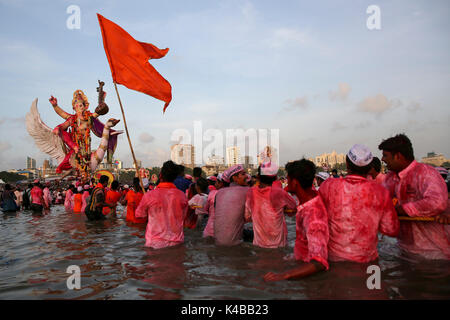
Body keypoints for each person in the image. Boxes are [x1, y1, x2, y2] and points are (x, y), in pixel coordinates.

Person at [319, 144, 399, 263]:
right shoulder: (380, 192)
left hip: (335, 260)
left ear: (347, 164)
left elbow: (318, 217)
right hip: (367, 262)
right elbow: (391, 229)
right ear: (370, 167)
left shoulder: (329, 186)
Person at [379, 134, 449, 260]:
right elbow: (380, 203)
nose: (382, 159)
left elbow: (437, 202)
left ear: (398, 156)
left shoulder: (426, 173)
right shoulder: (390, 178)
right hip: (404, 249)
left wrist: (402, 209)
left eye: (385, 155)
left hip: (434, 252)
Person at [264, 159, 329, 281]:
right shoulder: (310, 198)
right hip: (299, 261)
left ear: (295, 182)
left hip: (307, 276)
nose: (286, 182)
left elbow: (319, 262)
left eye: (288, 179)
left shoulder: (313, 215)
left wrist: (285, 276)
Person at [135, 160, 188, 249]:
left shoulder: (149, 195)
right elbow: (184, 217)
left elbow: (139, 215)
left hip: (155, 245)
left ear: (160, 175)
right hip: (177, 244)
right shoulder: (182, 196)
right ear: (175, 177)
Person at [245, 162, 297, 248]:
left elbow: (247, 217)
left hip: (258, 245)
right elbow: (293, 207)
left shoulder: (251, 192)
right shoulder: (279, 192)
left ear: (258, 177)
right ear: (276, 178)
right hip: (278, 246)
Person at [214, 164, 250, 246]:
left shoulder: (219, 192)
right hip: (234, 244)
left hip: (217, 242)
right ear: (235, 178)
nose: (247, 177)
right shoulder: (247, 191)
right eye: (243, 174)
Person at [203, 174, 225, 238]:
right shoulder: (230, 194)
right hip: (224, 231)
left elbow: (206, 209)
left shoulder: (212, 193)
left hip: (210, 229)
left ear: (220, 183)